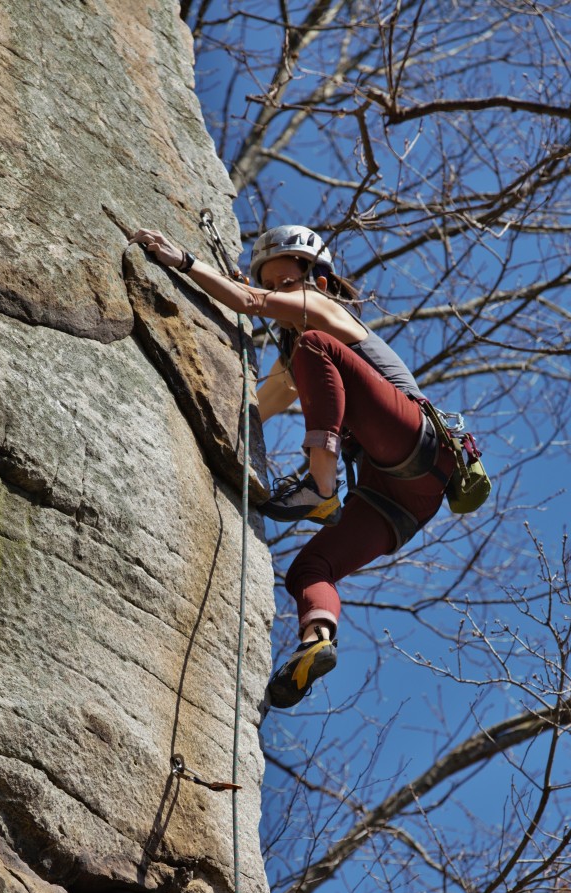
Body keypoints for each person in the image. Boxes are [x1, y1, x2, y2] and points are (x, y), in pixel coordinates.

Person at [129, 225, 456, 711]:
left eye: (288, 282)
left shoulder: (325, 314)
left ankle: (322, 488)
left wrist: (186, 262)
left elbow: (251, 303)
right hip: (404, 498)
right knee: (309, 568)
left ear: (318, 281)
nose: (282, 293)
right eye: (275, 284)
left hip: (417, 441)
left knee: (312, 348)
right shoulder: (299, 358)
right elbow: (252, 406)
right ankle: (316, 641)